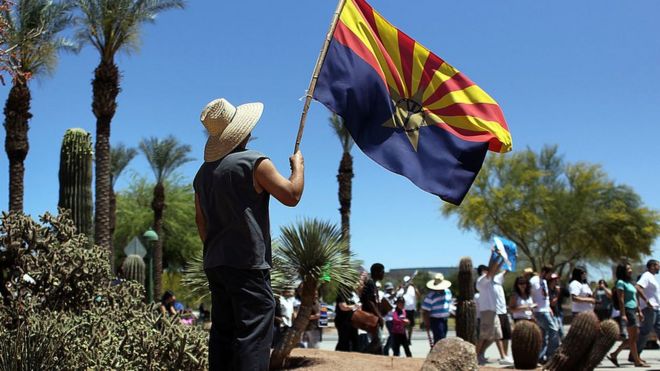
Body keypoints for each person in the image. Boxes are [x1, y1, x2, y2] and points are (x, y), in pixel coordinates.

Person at [194, 97, 305, 370]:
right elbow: (291, 196)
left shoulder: (202, 174)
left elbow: (201, 221)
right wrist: (298, 168)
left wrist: (216, 249)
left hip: (215, 263)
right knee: (253, 333)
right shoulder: (255, 162)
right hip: (247, 263)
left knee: (223, 332)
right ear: (241, 130)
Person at [608, 262, 650, 368]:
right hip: (627, 310)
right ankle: (637, 361)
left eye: (630, 268)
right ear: (623, 271)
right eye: (628, 269)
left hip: (633, 309)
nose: (630, 270)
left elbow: (635, 298)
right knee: (633, 337)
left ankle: (615, 354)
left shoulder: (630, 283)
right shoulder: (620, 283)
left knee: (634, 336)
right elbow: (621, 299)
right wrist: (623, 314)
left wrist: (639, 311)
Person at [475, 253, 510, 366]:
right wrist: (494, 255)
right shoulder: (481, 281)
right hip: (487, 312)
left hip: (493, 311)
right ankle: (475, 356)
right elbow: (492, 270)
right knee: (483, 336)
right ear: (483, 272)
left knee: (497, 334)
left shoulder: (490, 281)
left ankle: (503, 356)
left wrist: (502, 259)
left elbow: (495, 270)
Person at [530, 265, 560, 363]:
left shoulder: (544, 282)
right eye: (549, 274)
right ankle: (551, 355)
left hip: (546, 310)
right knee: (554, 331)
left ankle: (540, 357)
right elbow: (529, 295)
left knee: (544, 336)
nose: (550, 276)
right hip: (540, 311)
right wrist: (531, 310)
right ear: (543, 272)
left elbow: (545, 297)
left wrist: (549, 308)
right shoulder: (533, 281)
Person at [636, 259, 660, 358]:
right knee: (645, 332)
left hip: (657, 309)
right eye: (658, 265)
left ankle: (634, 354)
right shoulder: (646, 275)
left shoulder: (652, 277)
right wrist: (646, 301)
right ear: (653, 266)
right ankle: (635, 354)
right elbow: (637, 287)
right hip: (649, 309)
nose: (659, 267)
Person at [360, 263, 385, 354]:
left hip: (374, 316)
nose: (383, 274)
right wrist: (379, 316)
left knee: (378, 341)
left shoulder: (373, 283)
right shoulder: (370, 283)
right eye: (382, 271)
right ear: (376, 272)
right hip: (370, 317)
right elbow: (369, 301)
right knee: (377, 341)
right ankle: (362, 355)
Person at [421, 273, 453, 345]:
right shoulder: (431, 296)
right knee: (440, 339)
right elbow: (425, 311)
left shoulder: (448, 292)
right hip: (436, 320)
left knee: (443, 338)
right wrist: (427, 323)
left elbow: (449, 303)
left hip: (445, 319)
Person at [493, 268, 513, 363]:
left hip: (504, 311)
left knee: (507, 334)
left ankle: (505, 355)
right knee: (498, 336)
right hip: (496, 312)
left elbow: (507, 270)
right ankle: (503, 356)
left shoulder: (499, 283)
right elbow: (505, 271)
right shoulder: (490, 281)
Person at [335, 286, 361, 352]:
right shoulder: (341, 294)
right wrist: (355, 306)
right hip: (343, 321)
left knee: (355, 340)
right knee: (344, 340)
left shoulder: (353, 295)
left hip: (352, 321)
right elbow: (343, 307)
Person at [397, 274, 420, 344]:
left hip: (411, 309)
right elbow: (397, 296)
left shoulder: (413, 288)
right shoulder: (402, 288)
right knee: (403, 325)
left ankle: (409, 339)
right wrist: (401, 288)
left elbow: (418, 296)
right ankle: (404, 338)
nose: (407, 282)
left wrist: (415, 287)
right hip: (403, 310)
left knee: (410, 326)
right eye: (406, 281)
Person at [382, 282, 396, 355]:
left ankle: (393, 349)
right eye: (389, 289)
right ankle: (386, 348)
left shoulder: (393, 296)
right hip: (388, 319)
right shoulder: (385, 296)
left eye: (391, 289)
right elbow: (390, 298)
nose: (390, 290)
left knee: (393, 335)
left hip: (394, 318)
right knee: (392, 335)